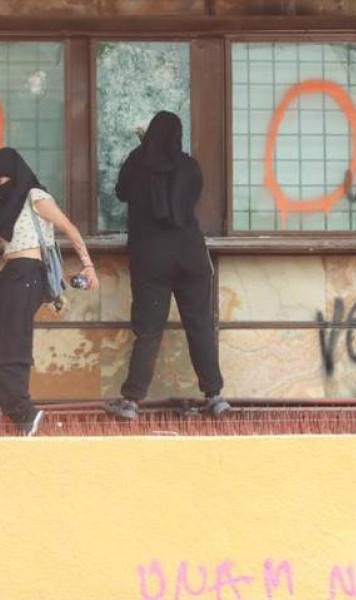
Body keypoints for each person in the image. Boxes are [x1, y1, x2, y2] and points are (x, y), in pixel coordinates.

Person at [0, 147, 99, 436]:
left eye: (1, 181)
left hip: (28, 274)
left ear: (15, 175)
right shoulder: (9, 208)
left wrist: (88, 266)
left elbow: (69, 228)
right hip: (10, 274)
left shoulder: (35, 197)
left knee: (9, 341)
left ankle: (24, 414)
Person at [104, 110, 229, 421]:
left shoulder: (137, 164)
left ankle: (131, 402)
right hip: (190, 254)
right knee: (200, 326)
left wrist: (141, 148)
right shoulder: (189, 166)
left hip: (151, 258)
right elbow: (189, 197)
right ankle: (215, 397)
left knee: (148, 331)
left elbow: (121, 192)